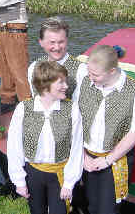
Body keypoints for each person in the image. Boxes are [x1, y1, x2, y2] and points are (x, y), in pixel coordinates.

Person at [7, 61, 83, 214]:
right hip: (33, 173)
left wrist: (69, 183)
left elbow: (76, 147)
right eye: (60, 82)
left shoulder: (71, 109)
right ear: (45, 85)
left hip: (60, 173)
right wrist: (19, 180)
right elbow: (14, 146)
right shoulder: (24, 109)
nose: (66, 86)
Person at [74, 45, 135, 214]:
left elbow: (134, 133)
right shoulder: (85, 81)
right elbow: (76, 120)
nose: (90, 77)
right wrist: (83, 154)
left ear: (111, 71)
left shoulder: (133, 90)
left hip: (115, 160)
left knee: (108, 210)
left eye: (95, 74)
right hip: (87, 157)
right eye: (89, 72)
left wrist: (107, 160)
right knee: (92, 206)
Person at [28, 17, 87, 99]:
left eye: (61, 42)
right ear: (41, 42)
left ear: (67, 40)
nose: (57, 47)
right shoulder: (33, 67)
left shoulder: (81, 70)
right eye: (52, 42)